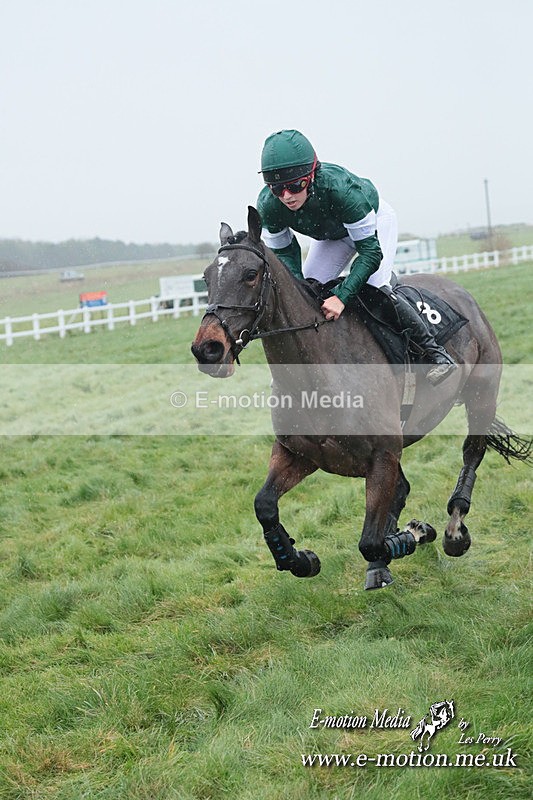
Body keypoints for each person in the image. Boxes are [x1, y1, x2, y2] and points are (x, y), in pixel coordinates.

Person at [257, 129, 457, 385]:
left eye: (296, 186)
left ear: (312, 175)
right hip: (332, 236)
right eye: (277, 189)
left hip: (372, 227)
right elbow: (286, 255)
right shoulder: (268, 206)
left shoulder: (341, 189)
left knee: (375, 288)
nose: (287, 196)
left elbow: (371, 252)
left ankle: (435, 354)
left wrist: (341, 296)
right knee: (304, 293)